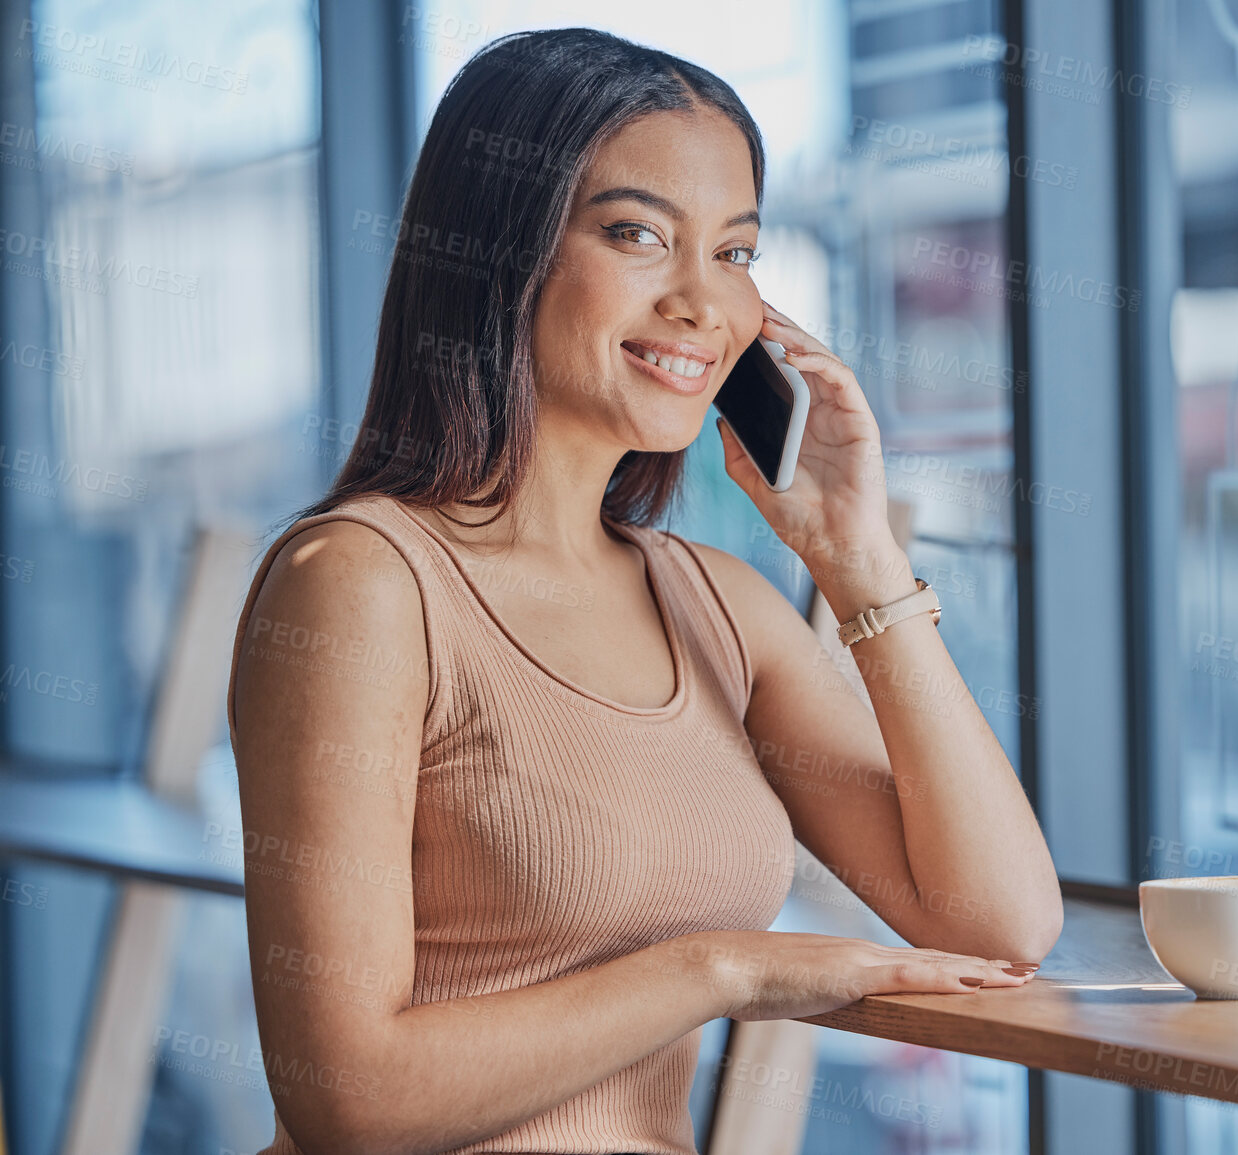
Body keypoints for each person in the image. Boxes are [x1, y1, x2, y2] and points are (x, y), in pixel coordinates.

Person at [228, 26, 1062, 1155]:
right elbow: (348, 1100)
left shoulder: (715, 606)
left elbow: (1001, 922)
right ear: (496, 249)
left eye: (735, 254)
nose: (702, 306)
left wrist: (855, 560)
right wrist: (722, 967)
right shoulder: (360, 587)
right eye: (637, 235)